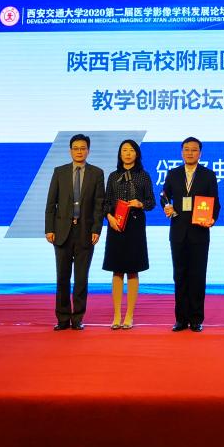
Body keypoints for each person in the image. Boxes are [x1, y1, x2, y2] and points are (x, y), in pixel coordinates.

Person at [45, 134, 104, 331]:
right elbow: (51, 203)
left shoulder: (97, 173)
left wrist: (96, 229)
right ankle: (62, 318)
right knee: (62, 277)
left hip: (86, 232)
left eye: (83, 148)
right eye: (76, 148)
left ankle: (77, 317)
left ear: (88, 150)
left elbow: (99, 205)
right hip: (62, 232)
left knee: (81, 278)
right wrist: (49, 228)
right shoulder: (59, 172)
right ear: (70, 151)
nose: (79, 151)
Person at [161, 136, 219, 332]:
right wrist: (167, 207)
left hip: (199, 232)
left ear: (200, 153)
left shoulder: (208, 175)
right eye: (186, 149)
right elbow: (164, 196)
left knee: (197, 275)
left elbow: (215, 203)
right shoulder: (173, 174)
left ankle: (196, 318)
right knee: (179, 275)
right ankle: (180, 319)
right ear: (181, 152)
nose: (190, 152)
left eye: (194, 149)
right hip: (178, 231)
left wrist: (212, 219)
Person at [102, 139, 155, 329]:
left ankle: (129, 316)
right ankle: (117, 315)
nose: (128, 153)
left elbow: (151, 202)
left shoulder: (144, 176)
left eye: (131, 150)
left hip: (135, 226)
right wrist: (109, 217)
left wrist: (140, 204)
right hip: (116, 226)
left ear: (137, 154)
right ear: (120, 154)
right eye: (124, 150)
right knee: (117, 270)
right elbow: (106, 202)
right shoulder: (113, 176)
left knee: (133, 270)